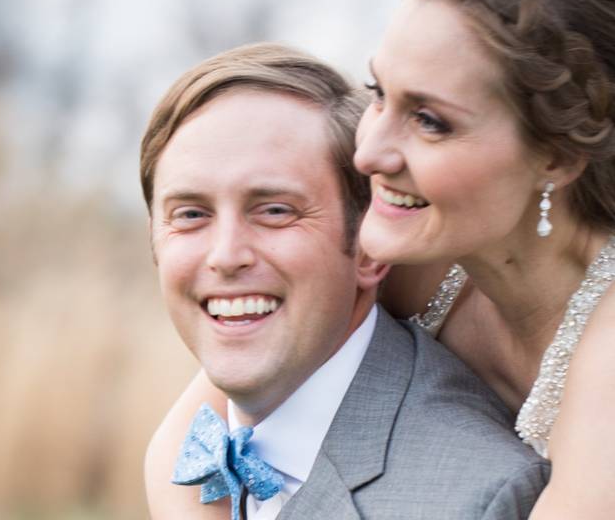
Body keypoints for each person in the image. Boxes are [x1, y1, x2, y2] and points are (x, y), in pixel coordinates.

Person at [147, 0, 615, 519]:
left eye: (429, 121)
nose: (369, 151)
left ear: (555, 156)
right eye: (379, 95)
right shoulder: (417, 248)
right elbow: (194, 438)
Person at [140, 43, 549, 519]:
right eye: (191, 215)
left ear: (369, 247)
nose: (226, 256)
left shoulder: (479, 499)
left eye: (275, 211)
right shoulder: (193, 446)